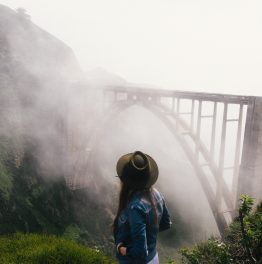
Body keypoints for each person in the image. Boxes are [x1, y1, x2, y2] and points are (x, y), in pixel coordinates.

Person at [113, 151, 172, 264]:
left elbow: (140, 252)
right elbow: (166, 224)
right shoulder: (156, 194)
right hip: (153, 257)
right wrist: (149, 233)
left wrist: (122, 249)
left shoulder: (135, 207)